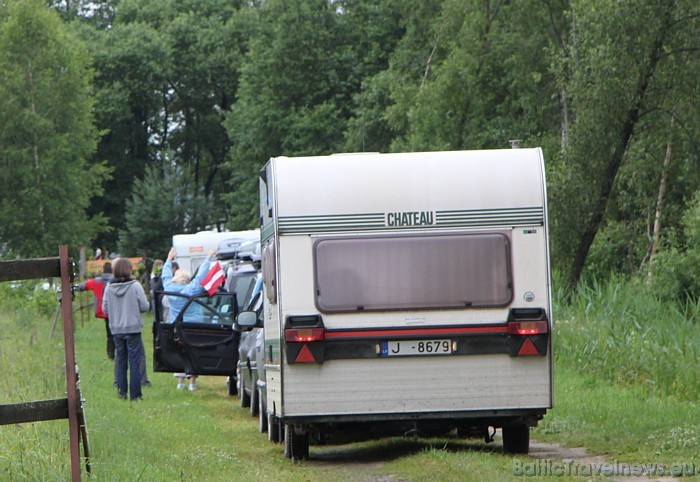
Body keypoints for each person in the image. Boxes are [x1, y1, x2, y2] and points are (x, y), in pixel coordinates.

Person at [162, 247, 215, 391]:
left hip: (177, 327)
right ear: (187, 280)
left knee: (180, 352)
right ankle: (192, 382)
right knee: (192, 352)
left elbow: (165, 276)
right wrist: (208, 258)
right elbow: (201, 276)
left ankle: (180, 382)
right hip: (193, 326)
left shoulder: (169, 289)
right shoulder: (191, 289)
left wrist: (169, 259)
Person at [103, 257, 150, 401]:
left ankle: (121, 393)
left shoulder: (109, 287)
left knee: (121, 361)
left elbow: (105, 309)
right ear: (129, 270)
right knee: (134, 362)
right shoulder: (135, 286)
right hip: (133, 328)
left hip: (117, 329)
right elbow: (144, 306)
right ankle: (135, 396)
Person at [75, 262, 115, 360]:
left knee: (109, 335)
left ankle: (111, 355)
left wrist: (71, 287)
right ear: (112, 270)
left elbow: (83, 286)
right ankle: (119, 353)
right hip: (117, 311)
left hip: (103, 311)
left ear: (103, 270)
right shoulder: (117, 280)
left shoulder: (97, 281)